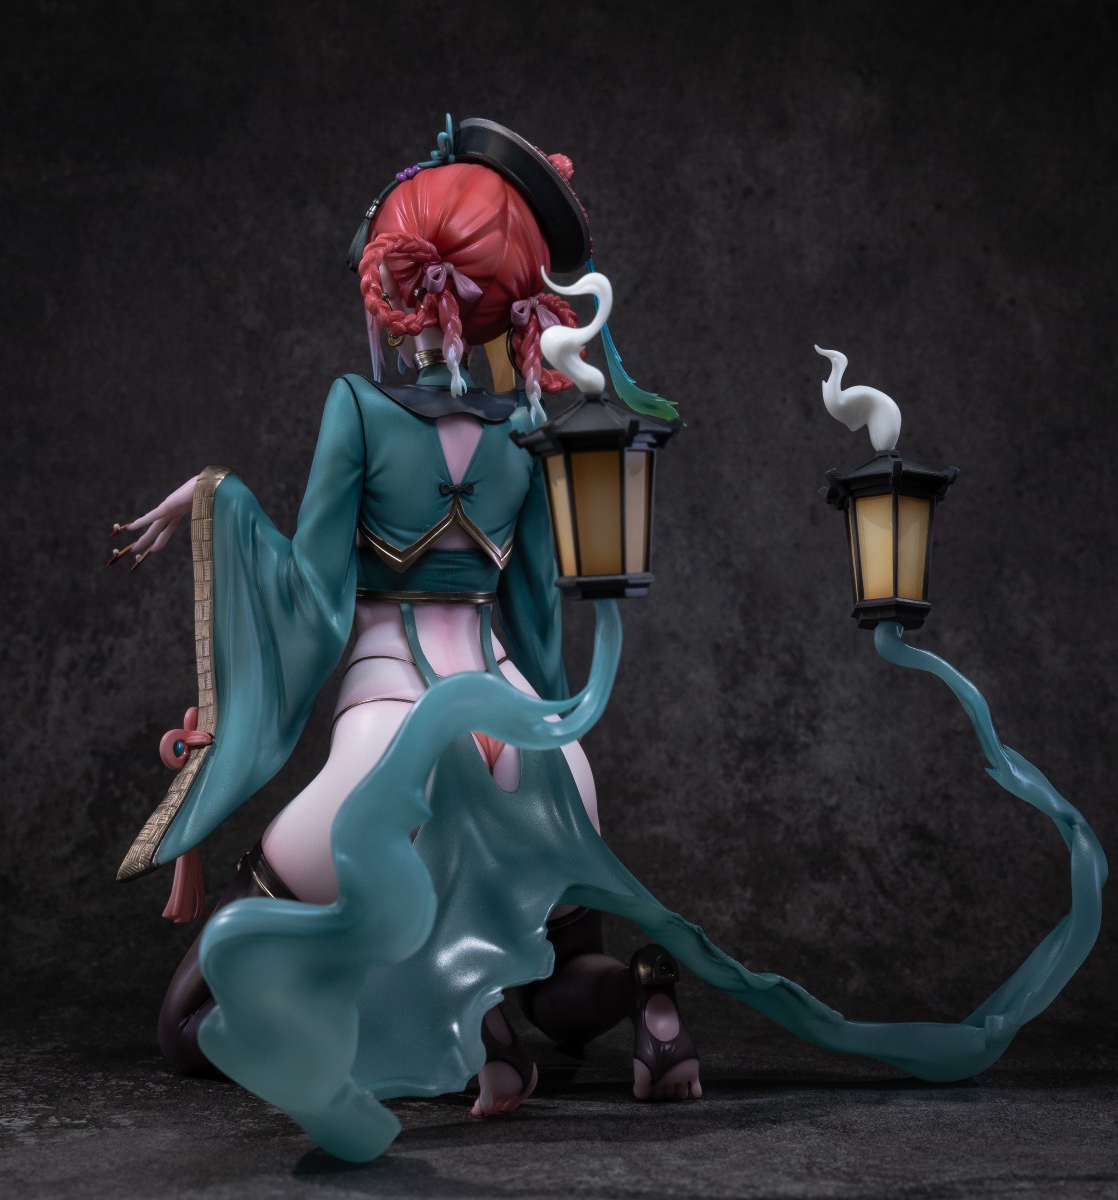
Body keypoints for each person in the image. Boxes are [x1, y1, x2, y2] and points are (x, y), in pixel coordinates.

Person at [108, 118, 701, 1119]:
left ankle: (453, 1021)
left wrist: (218, 499)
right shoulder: (531, 432)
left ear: (400, 282)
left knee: (190, 1024)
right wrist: (554, 734)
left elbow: (310, 598)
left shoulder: (360, 408)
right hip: (525, 731)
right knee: (563, 989)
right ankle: (646, 993)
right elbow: (538, 619)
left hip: (388, 736)